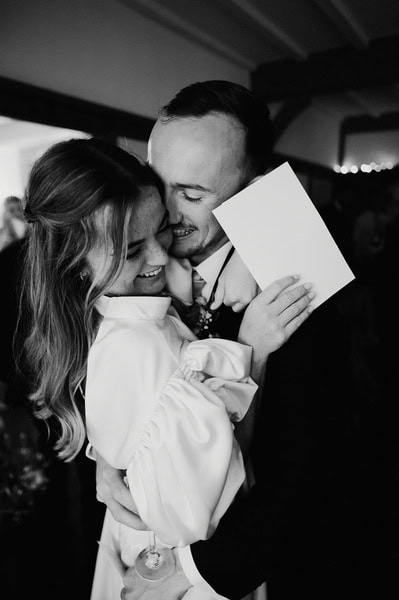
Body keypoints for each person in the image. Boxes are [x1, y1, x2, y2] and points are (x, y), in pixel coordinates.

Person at [96, 80, 397, 600]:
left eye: (192, 193)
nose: (164, 212)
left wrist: (193, 572)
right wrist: (108, 454)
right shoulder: (134, 262)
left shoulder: (297, 292)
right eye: (156, 182)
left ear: (254, 191)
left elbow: (305, 475)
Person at [20, 137, 313, 600]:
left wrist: (247, 248)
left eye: (190, 198)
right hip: (175, 552)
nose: (161, 253)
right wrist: (249, 352)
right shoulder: (125, 336)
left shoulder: (128, 289)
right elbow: (197, 485)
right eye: (133, 250)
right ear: (74, 263)